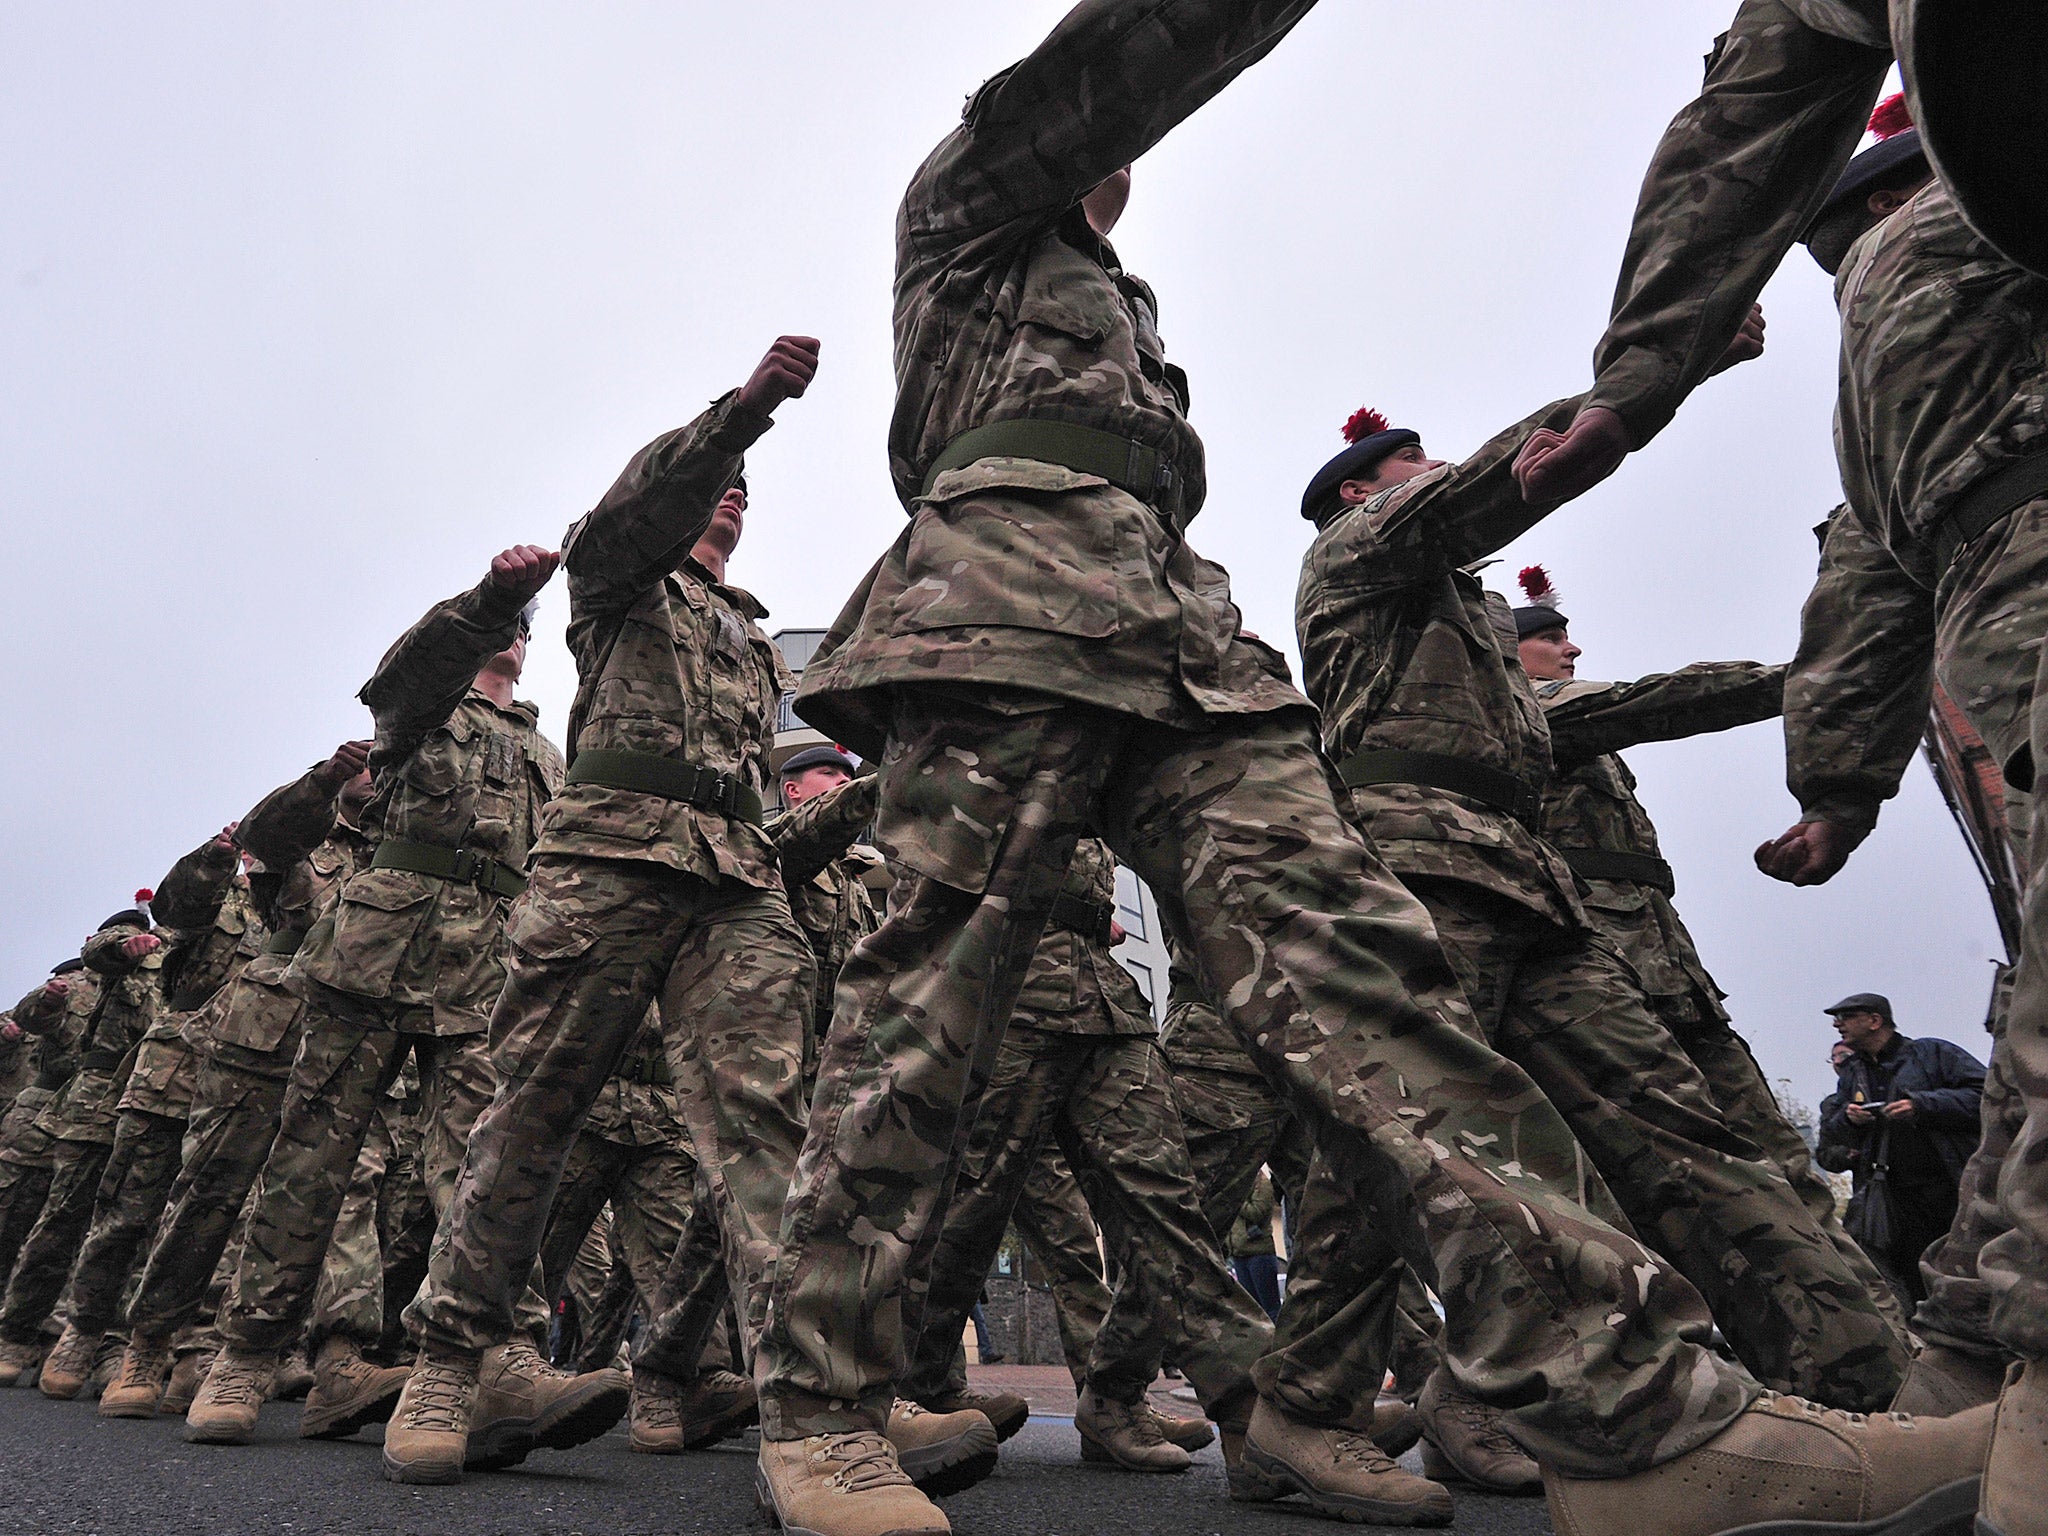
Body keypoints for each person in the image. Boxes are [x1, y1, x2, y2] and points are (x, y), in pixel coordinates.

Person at [751, 10, 1988, 1536]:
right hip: (998, 614)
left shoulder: (1117, 298)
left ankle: (1636, 1420)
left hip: (1185, 644)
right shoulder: (967, 200)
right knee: (923, 1011)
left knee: (1374, 983)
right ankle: (820, 1411)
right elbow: (1124, 56)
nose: (1118, 155)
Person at [386, 341, 890, 1490]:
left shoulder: (758, 642)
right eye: (719, 487)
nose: (732, 499)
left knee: (769, 1128)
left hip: (735, 874)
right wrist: (743, 415)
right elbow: (630, 510)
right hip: (609, 854)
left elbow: (763, 792)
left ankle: (815, 1415)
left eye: (744, 496)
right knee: (531, 1111)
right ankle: (451, 1364)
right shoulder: (618, 577)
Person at [1754, 124, 2048, 1535]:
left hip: (1990, 627)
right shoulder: (1985, 216)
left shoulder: (1864, 364)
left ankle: (1961, 1388)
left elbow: (1860, 575)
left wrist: (1832, 787)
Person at [186, 551, 599, 1466]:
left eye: (522, 627)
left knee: (487, 1165)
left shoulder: (545, 756)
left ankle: (502, 1353)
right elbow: (403, 675)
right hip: (376, 947)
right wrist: (487, 599)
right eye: (507, 627)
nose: (514, 639)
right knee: (314, 1157)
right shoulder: (424, 710)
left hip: (488, 964)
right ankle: (247, 1355)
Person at [1513, 571, 1905, 1335]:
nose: (1572, 647)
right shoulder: (1521, 717)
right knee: (1700, 1183)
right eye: (1551, 636)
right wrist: (1805, 680)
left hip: (1670, 974)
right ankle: (1824, 1357)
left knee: (1782, 1166)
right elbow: (1660, 701)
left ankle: (1886, 1339)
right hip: (1595, 983)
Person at [897, 838, 1260, 1476]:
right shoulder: (982, 744)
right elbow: (923, 875)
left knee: (1166, 1201)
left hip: (1107, 1000)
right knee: (966, 1212)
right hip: (1003, 992)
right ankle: (902, 1393)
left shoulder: (1100, 761)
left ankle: (1248, 1409)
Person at [103, 743, 392, 1425]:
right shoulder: (297, 835)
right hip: (266, 1030)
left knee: (350, 1190)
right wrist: (322, 779)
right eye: (366, 765)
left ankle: (340, 1360)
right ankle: (150, 1343)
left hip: (355, 1035)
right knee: (211, 1192)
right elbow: (193, 895)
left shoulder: (405, 843)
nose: (377, 775)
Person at [35, 823, 268, 1399]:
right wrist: (124, 944)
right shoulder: (221, 893)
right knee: (126, 1213)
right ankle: (87, 1330)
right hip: (176, 1066)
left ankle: (183, 1347)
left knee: (224, 1216)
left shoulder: (308, 898)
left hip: (257, 1067)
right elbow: (118, 941)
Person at [0, 901, 165, 1382]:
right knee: (59, 1221)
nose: (142, 940)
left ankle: (105, 1340)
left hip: (150, 1099)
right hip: (88, 1110)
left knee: (130, 1224)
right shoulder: (88, 979)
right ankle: (17, 1332)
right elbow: (31, 1012)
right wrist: (47, 1002)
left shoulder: (168, 970)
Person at [1816, 994, 1985, 1308]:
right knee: (1911, 1287)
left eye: (1847, 1016)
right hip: (1891, 1206)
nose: (1837, 1024)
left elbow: (1986, 1095)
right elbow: (1829, 1135)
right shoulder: (1853, 1072)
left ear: (1875, 1020)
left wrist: (1921, 1105)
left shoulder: (1932, 1053)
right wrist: (1851, 1119)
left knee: (1970, 1279)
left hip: (1953, 1192)